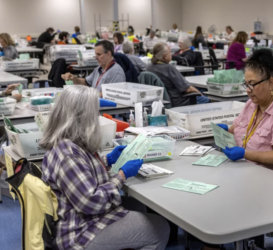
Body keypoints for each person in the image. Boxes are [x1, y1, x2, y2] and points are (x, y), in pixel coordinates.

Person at [39, 85, 169, 250]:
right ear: (81, 117)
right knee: (160, 228)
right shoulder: (68, 154)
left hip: (77, 215)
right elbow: (91, 202)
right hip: (79, 231)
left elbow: (81, 171)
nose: (97, 117)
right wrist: (121, 176)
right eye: (95, 113)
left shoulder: (66, 142)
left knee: (137, 206)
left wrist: (106, 160)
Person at [217, 49, 273, 176]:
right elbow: (239, 130)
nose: (248, 90)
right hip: (251, 173)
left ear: (270, 83)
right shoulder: (252, 104)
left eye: (252, 84)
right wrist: (226, 131)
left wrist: (245, 153)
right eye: (246, 84)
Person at [146, 43, 203, 107]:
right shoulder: (169, 68)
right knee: (205, 99)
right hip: (178, 102)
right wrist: (200, 94)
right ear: (165, 56)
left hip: (159, 103)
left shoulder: (149, 67)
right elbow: (188, 89)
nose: (171, 54)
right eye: (170, 52)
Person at [61, 40, 125, 96]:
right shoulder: (98, 69)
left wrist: (87, 94)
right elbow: (86, 82)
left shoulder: (116, 72)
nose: (96, 58)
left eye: (99, 55)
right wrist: (74, 78)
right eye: (95, 55)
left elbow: (112, 95)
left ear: (108, 54)